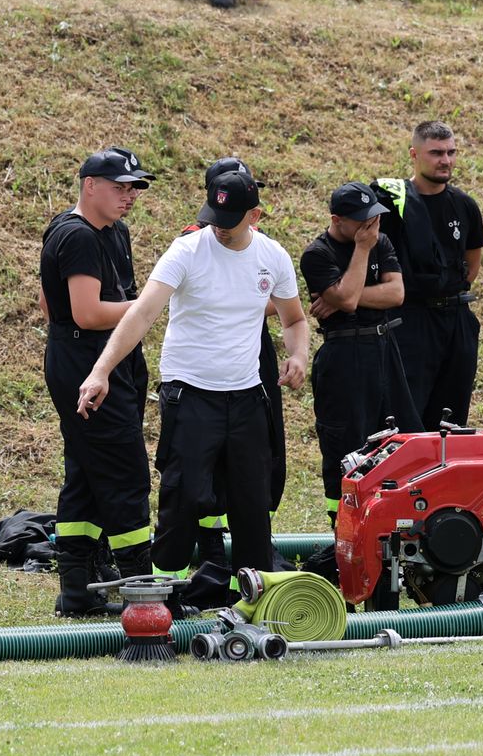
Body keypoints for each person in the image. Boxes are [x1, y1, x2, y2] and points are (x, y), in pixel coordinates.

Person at [78, 161, 310, 587]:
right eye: (215, 218)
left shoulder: (272, 256)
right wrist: (101, 371)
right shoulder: (186, 251)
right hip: (190, 395)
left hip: (246, 398)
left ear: (254, 216)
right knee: (182, 499)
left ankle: (252, 595)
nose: (219, 228)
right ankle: (165, 596)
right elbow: (143, 312)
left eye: (231, 221)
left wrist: (298, 356)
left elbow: (295, 319)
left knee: (251, 505)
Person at [40, 148, 156, 616]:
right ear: (89, 185)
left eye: (134, 189)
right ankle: (141, 591)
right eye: (120, 187)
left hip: (105, 358)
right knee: (127, 474)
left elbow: (53, 306)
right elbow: (86, 314)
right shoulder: (78, 235)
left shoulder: (112, 231)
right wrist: (151, 302)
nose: (128, 196)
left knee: (87, 476)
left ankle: (75, 591)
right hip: (87, 361)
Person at [300, 183, 420, 521]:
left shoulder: (381, 240)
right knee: (346, 439)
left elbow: (395, 294)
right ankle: (343, 524)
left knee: (403, 434)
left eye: (374, 219)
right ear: (337, 220)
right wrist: (362, 253)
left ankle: (398, 519)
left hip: (383, 347)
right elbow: (349, 300)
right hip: (343, 353)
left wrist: (340, 295)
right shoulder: (318, 253)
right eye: (362, 221)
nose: (371, 227)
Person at [378, 121, 483, 428]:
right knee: (404, 414)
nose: (446, 160)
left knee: (451, 415)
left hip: (456, 321)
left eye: (451, 152)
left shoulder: (464, 205)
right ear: (414, 154)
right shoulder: (392, 203)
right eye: (437, 152)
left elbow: (472, 264)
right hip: (409, 320)